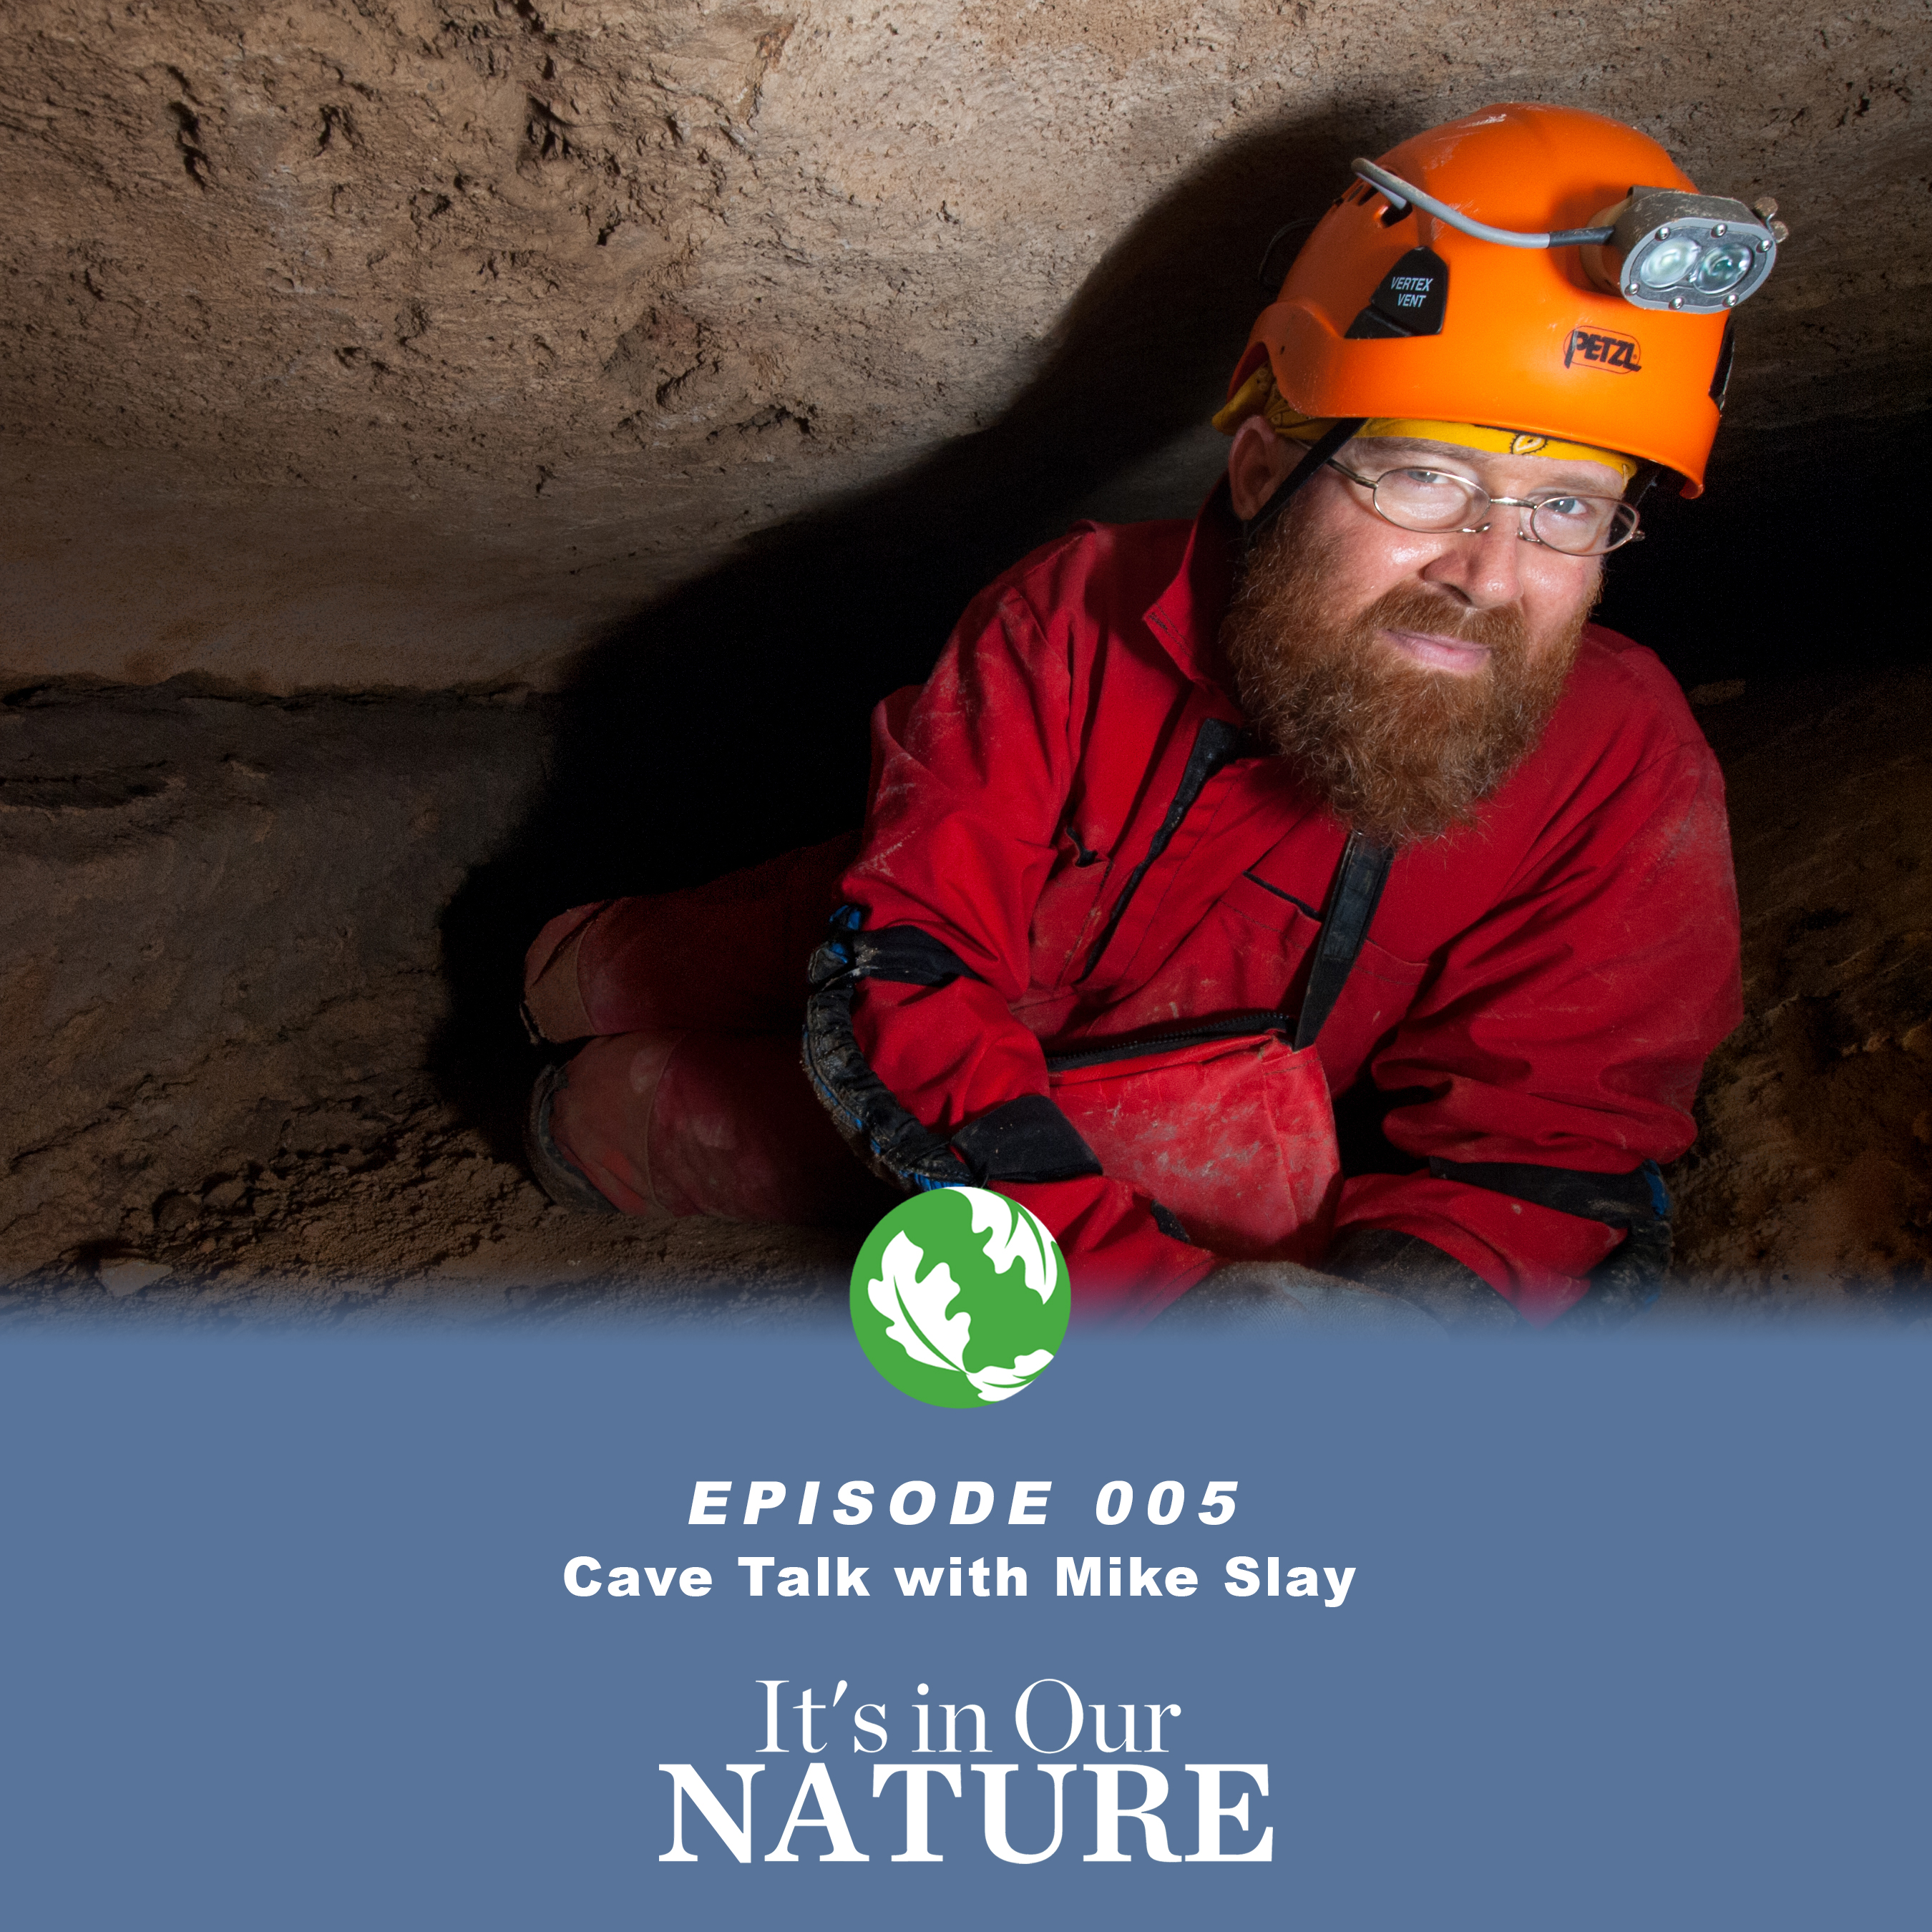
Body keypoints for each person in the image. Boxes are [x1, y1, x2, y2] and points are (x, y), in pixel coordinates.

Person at [521, 103, 1758, 1330]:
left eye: (1571, 508)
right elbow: (913, 953)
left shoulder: (1620, 757)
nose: (1489, 573)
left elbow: (1560, 1134)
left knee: (609, 1114)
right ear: (1268, 468)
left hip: (1130, 1104)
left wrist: (1390, 1329)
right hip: (924, 926)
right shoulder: (1077, 610)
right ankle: (547, 973)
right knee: (586, 980)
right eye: (1427, 478)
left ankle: (584, 1091)